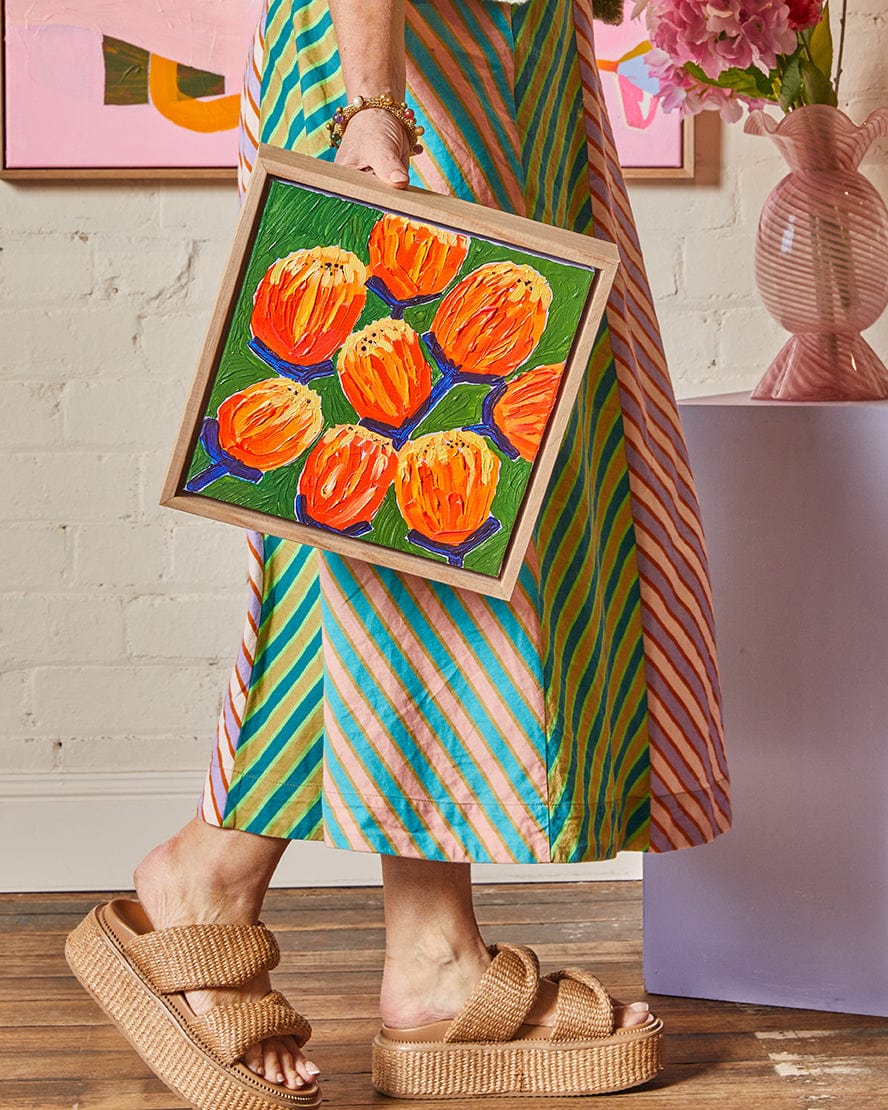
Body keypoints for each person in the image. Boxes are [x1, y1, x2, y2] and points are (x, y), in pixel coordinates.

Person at [65, 1, 730, 1106]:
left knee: (443, 521)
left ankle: (426, 944)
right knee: (392, 497)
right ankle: (217, 880)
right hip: (415, 69)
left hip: (502, 70)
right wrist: (373, 103)